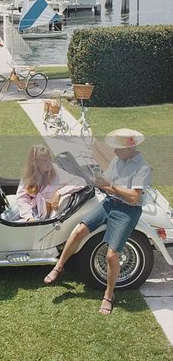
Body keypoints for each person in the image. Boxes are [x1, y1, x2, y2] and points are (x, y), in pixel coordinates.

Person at [43, 128, 151, 315]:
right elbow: (106, 180)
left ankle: (109, 295)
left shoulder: (142, 167)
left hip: (128, 210)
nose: (114, 152)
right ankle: (59, 267)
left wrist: (112, 187)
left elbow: (134, 197)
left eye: (118, 148)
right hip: (110, 202)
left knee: (111, 255)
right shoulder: (118, 160)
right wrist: (99, 179)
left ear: (129, 148)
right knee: (78, 230)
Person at [15, 145, 85, 222]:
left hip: (40, 214)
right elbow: (21, 196)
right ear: (36, 163)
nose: (49, 163)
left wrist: (58, 193)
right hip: (26, 208)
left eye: (49, 159)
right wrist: (28, 216)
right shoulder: (29, 173)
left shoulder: (55, 171)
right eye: (45, 160)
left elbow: (81, 181)